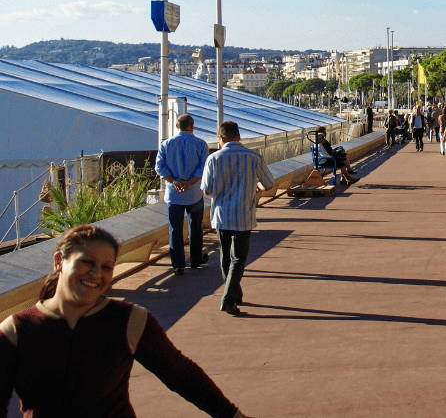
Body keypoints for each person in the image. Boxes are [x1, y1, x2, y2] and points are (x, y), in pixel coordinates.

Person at [0, 225, 251, 417]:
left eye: (107, 267)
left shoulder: (129, 320)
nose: (96, 274)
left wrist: (232, 414)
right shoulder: (17, 330)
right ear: (59, 262)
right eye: (87, 262)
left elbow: (181, 374)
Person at [201, 121, 275, 317]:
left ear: (221, 138)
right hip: (243, 214)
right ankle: (229, 298)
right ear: (239, 136)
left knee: (226, 257)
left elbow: (206, 190)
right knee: (238, 258)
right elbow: (269, 183)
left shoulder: (213, 159)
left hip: (221, 215)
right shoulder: (253, 157)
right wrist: (255, 188)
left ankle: (233, 293)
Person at [154, 113, 210, 276]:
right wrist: (190, 182)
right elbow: (204, 167)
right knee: (195, 227)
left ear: (177, 126)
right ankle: (195, 259)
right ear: (192, 125)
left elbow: (160, 167)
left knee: (175, 229)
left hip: (174, 194)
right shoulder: (200, 144)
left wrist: (175, 181)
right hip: (194, 192)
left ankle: (178, 264)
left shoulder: (166, 144)